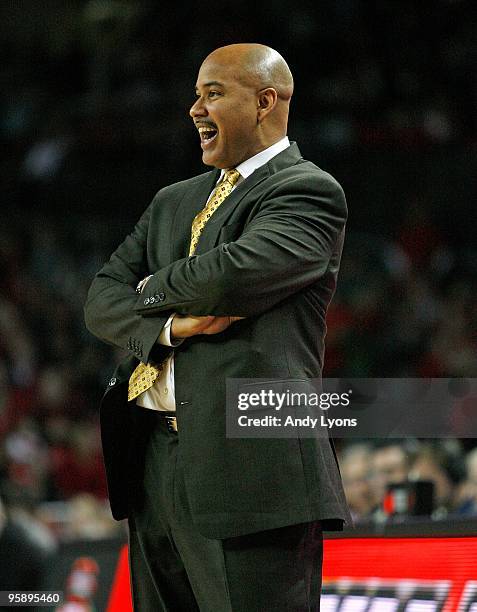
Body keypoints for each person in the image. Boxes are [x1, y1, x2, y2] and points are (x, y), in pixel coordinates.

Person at [84, 43, 351, 611]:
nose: (194, 110)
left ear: (264, 101)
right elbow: (99, 299)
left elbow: (228, 278)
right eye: (196, 94)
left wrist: (148, 288)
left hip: (252, 467)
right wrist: (171, 327)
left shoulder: (307, 190)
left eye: (213, 94)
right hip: (153, 462)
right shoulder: (171, 202)